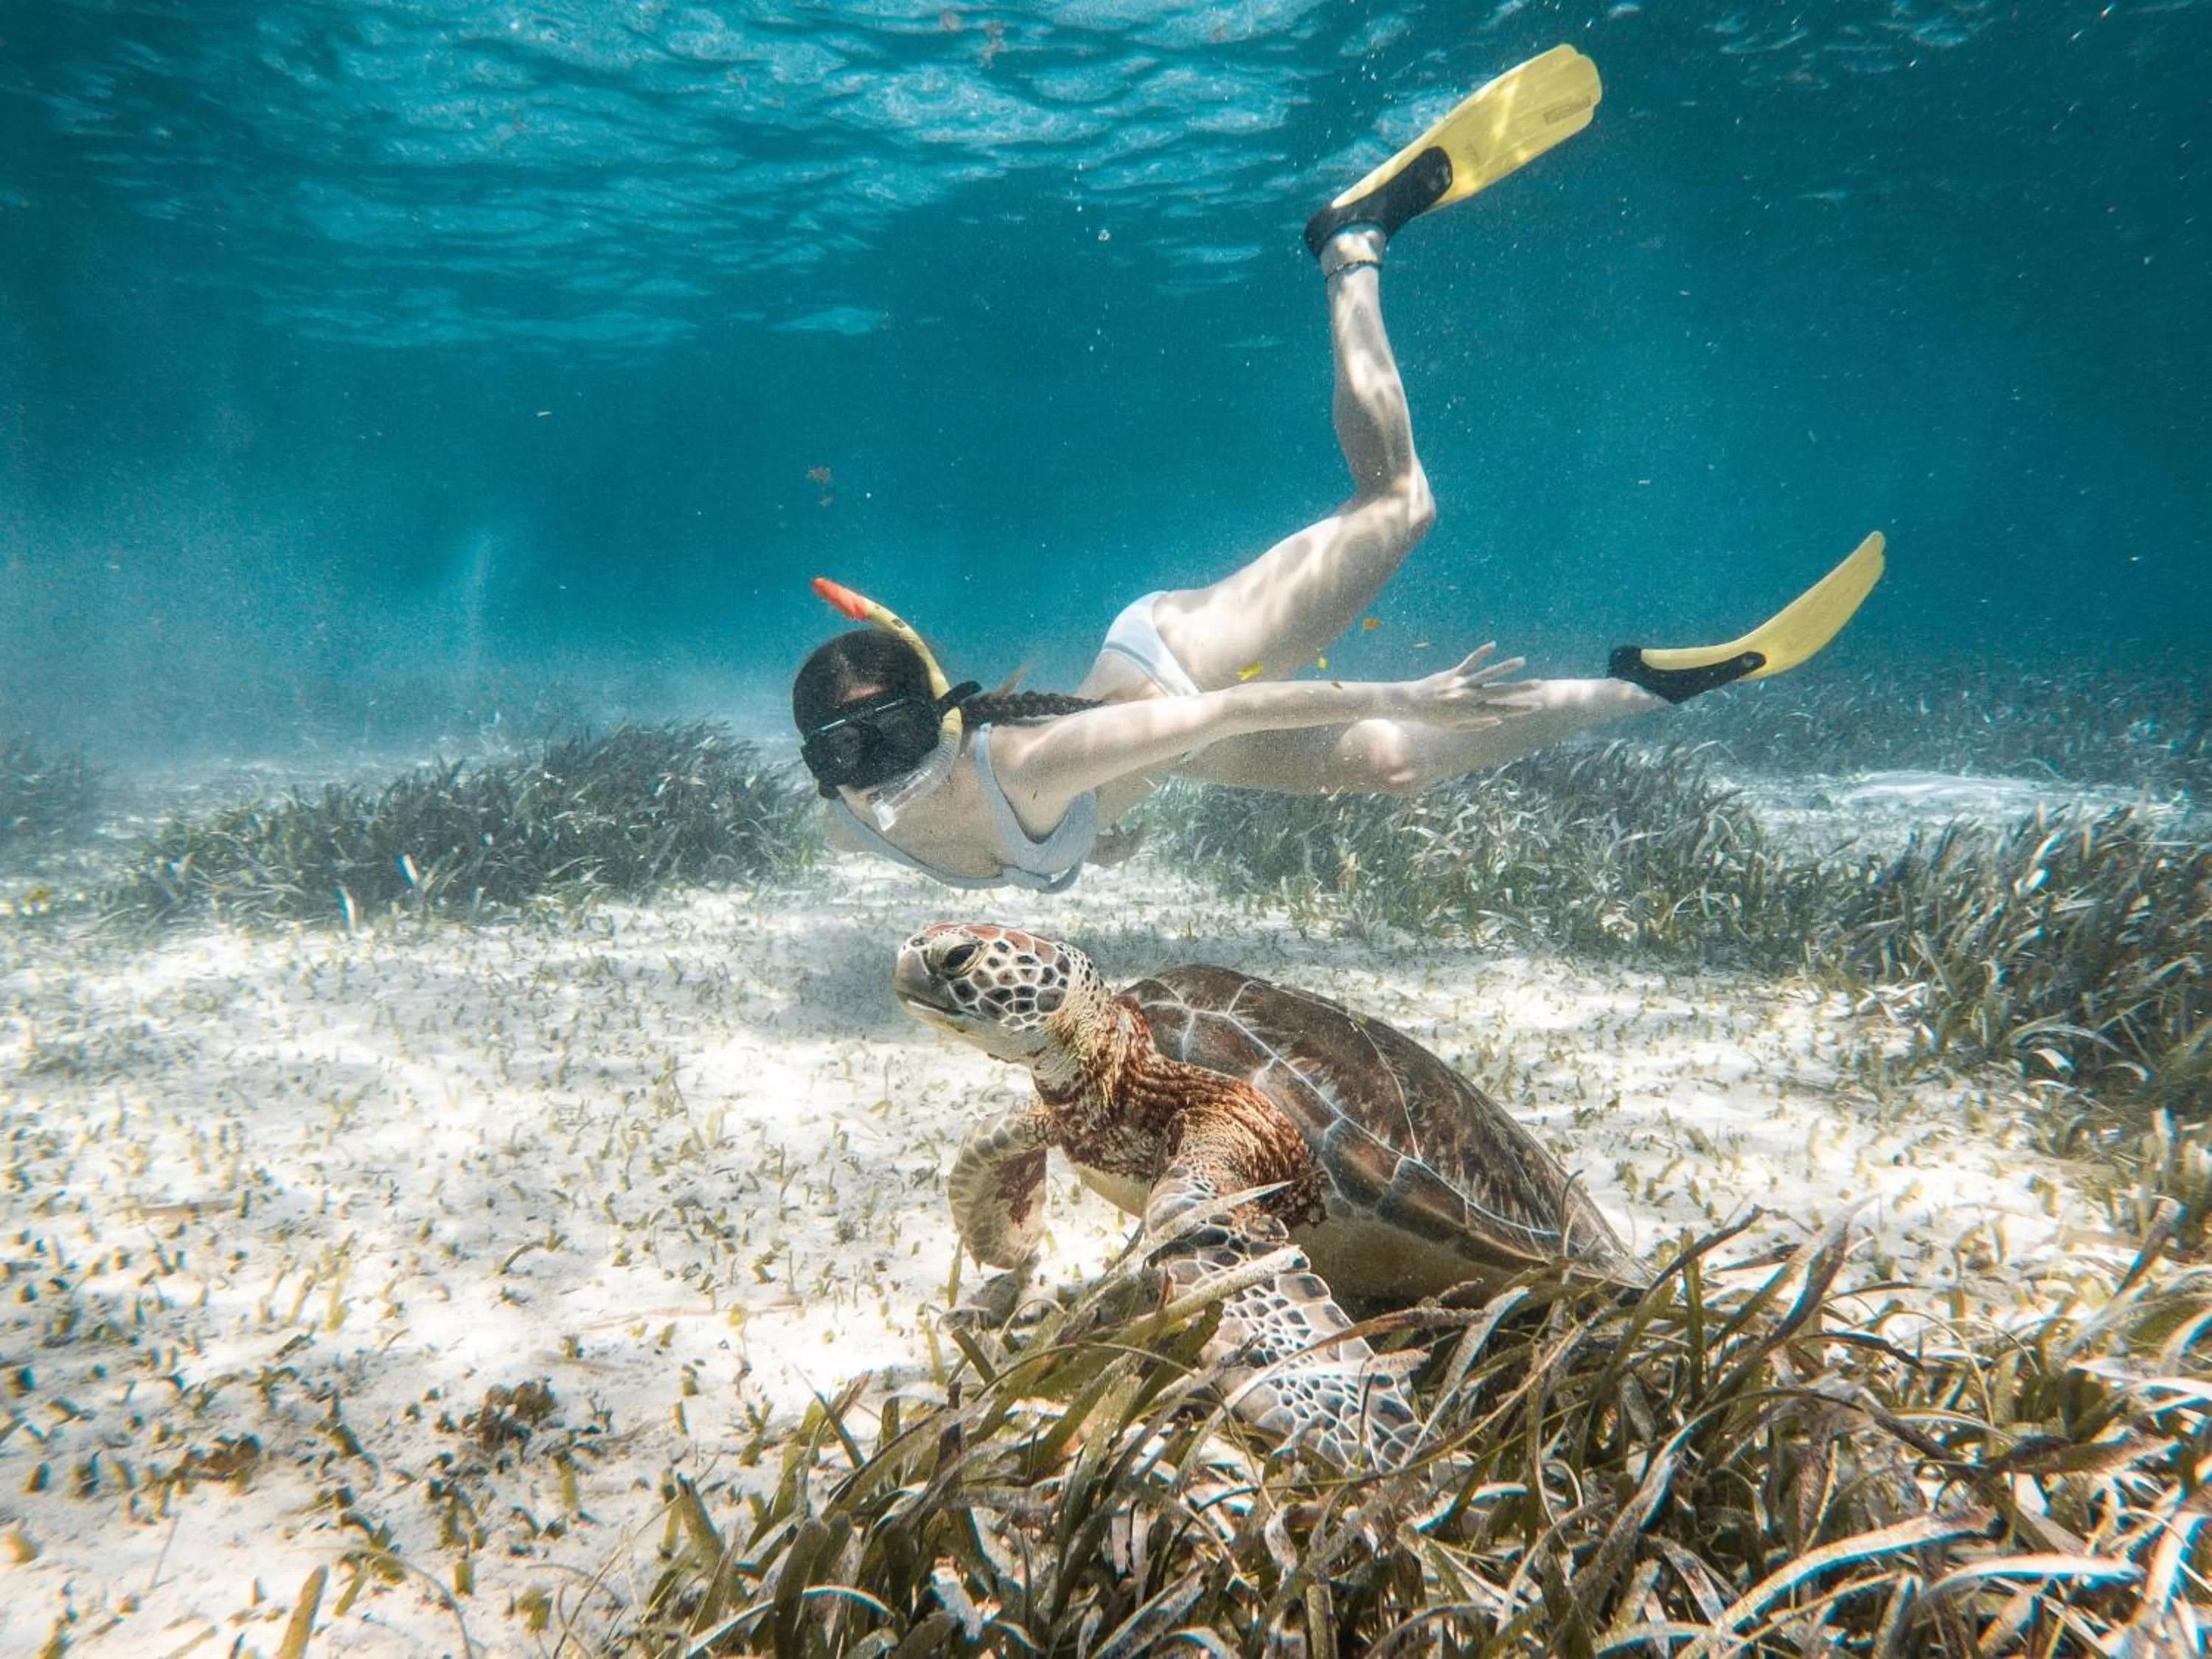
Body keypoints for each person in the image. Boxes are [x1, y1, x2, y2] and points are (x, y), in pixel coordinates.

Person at [790, 46, 1885, 894]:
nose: (880, 774)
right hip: (1153, 748)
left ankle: (1351, 245)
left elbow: (1227, 717)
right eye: (846, 755)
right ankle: (1649, 686)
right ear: (818, 767)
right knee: (1400, 766)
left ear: (937, 722)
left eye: (894, 738)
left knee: (1402, 506)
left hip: (1179, 668)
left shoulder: (1028, 767)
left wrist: (1405, 689)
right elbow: (982, 796)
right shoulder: (851, 819)